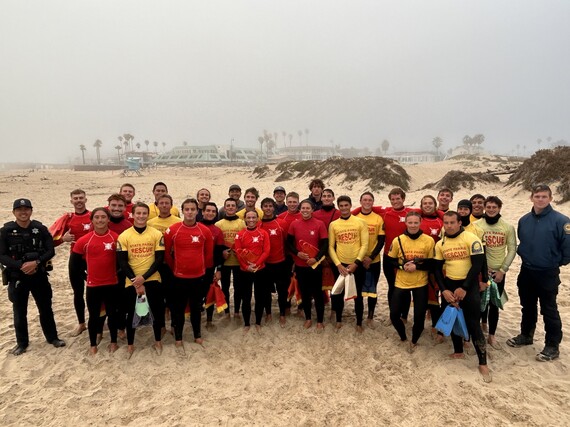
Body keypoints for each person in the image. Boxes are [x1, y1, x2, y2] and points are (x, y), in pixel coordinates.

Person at [507, 184, 569, 361]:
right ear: (531, 198)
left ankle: (552, 345)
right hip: (527, 270)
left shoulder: (562, 221)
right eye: (537, 196)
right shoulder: (524, 220)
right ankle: (526, 335)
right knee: (527, 306)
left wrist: (555, 262)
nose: (540, 199)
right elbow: (523, 241)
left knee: (549, 309)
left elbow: (568, 248)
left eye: (544, 196)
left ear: (550, 198)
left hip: (547, 272)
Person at [0, 198, 65, 356]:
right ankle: (22, 343)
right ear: (14, 212)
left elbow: (50, 250)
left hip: (39, 275)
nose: (23, 212)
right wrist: (21, 266)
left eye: (27, 209)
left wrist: (36, 262)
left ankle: (52, 337)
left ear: (31, 210)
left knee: (45, 308)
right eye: (20, 210)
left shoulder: (40, 228)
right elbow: (1, 255)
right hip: (18, 276)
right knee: (19, 311)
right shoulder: (6, 231)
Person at [433, 211, 491, 382]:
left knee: (473, 324)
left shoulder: (471, 238)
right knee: (453, 319)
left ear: (459, 223)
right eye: (446, 222)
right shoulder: (440, 243)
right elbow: (437, 269)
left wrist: (465, 287)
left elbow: (478, 265)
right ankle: (458, 351)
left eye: (452, 222)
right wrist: (443, 290)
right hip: (449, 285)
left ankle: (482, 362)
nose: (449, 226)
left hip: (469, 286)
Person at [164, 198, 213, 353]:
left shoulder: (204, 230)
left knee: (196, 308)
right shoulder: (173, 230)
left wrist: (200, 268)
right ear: (182, 211)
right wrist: (175, 269)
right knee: (178, 309)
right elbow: (167, 254)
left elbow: (208, 254)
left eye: (193, 209)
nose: (190, 212)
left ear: (197, 211)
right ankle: (178, 337)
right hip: (179, 277)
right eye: (187, 209)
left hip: (198, 277)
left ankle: (197, 335)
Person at [117, 202, 166, 357]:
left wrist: (143, 278)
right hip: (131, 280)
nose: (141, 216)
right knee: (131, 313)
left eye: (144, 213)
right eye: (138, 213)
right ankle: (131, 344)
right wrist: (135, 280)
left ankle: (157, 340)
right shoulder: (124, 236)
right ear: (132, 214)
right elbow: (122, 262)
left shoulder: (157, 234)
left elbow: (159, 260)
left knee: (157, 311)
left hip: (152, 278)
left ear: (148, 215)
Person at [71, 208, 120, 355]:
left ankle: (113, 342)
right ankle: (93, 344)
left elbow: (122, 262)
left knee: (112, 314)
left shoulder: (116, 238)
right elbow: (75, 265)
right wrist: (87, 276)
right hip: (93, 285)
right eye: (97, 217)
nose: (100, 220)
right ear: (92, 220)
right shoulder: (84, 240)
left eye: (103, 217)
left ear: (108, 220)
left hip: (112, 284)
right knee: (93, 315)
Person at [386, 211, 434, 352]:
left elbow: (431, 263)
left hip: (421, 283)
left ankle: (414, 340)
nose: (413, 225)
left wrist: (417, 266)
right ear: (406, 223)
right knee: (394, 314)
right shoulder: (398, 240)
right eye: (410, 222)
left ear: (420, 223)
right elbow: (390, 260)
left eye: (416, 223)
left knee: (419, 317)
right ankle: (402, 337)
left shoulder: (428, 240)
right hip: (401, 282)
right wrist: (402, 266)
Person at [475, 196, 517, 349]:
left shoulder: (507, 227)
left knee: (494, 304)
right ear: (484, 207)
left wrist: (503, 270)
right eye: (489, 207)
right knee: (479, 302)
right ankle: (478, 330)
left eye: (494, 207)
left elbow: (512, 249)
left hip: (498, 273)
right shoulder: (477, 225)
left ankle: (491, 335)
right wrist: (480, 269)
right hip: (481, 272)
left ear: (499, 208)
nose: (491, 209)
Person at [50, 189, 92, 337]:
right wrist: (63, 240)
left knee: (95, 292)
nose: (79, 200)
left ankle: (97, 320)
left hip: (92, 259)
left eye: (81, 198)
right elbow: (50, 241)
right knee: (78, 292)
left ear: (86, 199)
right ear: (71, 201)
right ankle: (81, 323)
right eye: (76, 198)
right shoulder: (67, 219)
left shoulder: (93, 216)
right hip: (75, 259)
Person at [328, 195, 369, 332]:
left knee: (358, 295)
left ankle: (359, 323)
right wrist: (338, 265)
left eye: (346, 205)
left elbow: (365, 244)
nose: (344, 208)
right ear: (338, 207)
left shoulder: (360, 222)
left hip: (357, 265)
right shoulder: (334, 224)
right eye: (341, 206)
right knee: (338, 294)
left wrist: (356, 263)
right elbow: (331, 247)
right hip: (340, 265)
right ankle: (339, 319)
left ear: (350, 205)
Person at [287, 199, 328, 330]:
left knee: (317, 293)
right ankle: (308, 318)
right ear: (300, 209)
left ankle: (320, 321)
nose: (305, 210)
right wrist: (297, 253)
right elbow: (288, 243)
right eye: (303, 208)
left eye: (307, 208)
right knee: (304, 293)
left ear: (312, 210)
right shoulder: (294, 224)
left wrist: (316, 258)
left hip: (315, 265)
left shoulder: (319, 224)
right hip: (300, 265)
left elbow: (325, 244)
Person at [234, 210, 271, 332]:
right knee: (246, 297)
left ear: (257, 219)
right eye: (248, 218)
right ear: (244, 219)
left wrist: (256, 263)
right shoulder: (240, 234)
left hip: (260, 269)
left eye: (253, 217)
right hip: (245, 270)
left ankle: (258, 322)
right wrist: (246, 266)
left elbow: (266, 251)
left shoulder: (263, 233)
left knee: (260, 296)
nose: (251, 220)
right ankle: (246, 323)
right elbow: (238, 252)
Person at [354, 192, 385, 328]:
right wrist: (360, 258)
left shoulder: (378, 218)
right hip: (357, 260)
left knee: (372, 290)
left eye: (370, 200)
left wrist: (371, 257)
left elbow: (381, 241)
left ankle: (370, 317)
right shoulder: (354, 217)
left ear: (373, 202)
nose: (367, 202)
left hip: (374, 260)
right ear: (360, 201)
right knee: (358, 291)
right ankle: (359, 320)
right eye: (364, 200)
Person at [259, 197, 289, 326]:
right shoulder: (258, 224)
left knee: (282, 290)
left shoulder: (281, 223)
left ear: (274, 207)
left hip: (280, 262)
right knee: (265, 291)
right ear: (262, 208)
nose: (268, 208)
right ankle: (269, 313)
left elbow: (287, 242)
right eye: (265, 206)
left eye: (270, 206)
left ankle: (282, 314)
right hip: (265, 264)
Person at [419, 195, 445, 343]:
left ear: (435, 205)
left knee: (435, 294)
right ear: (421, 205)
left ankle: (436, 325)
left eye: (430, 203)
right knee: (421, 293)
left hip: (436, 262)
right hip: (420, 261)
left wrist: (441, 213)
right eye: (425, 203)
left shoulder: (440, 220)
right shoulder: (418, 218)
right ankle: (420, 322)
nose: (427, 205)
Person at [215, 198, 246, 319]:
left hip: (238, 261)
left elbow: (245, 241)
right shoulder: (219, 224)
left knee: (238, 287)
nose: (230, 207)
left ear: (236, 208)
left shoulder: (242, 223)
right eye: (228, 205)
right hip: (225, 261)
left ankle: (237, 310)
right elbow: (217, 244)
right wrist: (222, 252)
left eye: (233, 205)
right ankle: (227, 311)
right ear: (224, 207)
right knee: (225, 287)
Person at [200, 202, 225, 329]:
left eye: (213, 211)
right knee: (196, 295)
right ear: (203, 212)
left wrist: (219, 269)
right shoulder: (196, 226)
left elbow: (219, 252)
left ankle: (209, 320)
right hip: (195, 268)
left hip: (210, 268)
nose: (210, 213)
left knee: (209, 294)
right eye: (208, 210)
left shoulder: (217, 231)